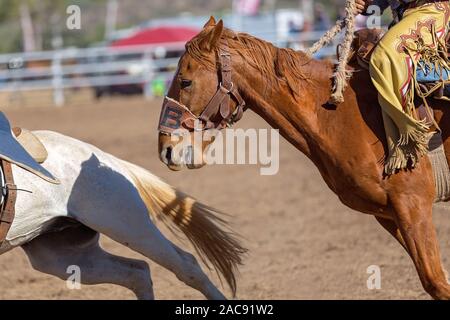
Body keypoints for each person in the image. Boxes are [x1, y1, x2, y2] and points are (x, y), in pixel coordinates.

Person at [357, 0, 450, 174]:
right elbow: (377, 5)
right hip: (402, 18)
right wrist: (367, 6)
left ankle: (409, 135)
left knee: (383, 57)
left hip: (432, 11)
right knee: (361, 56)